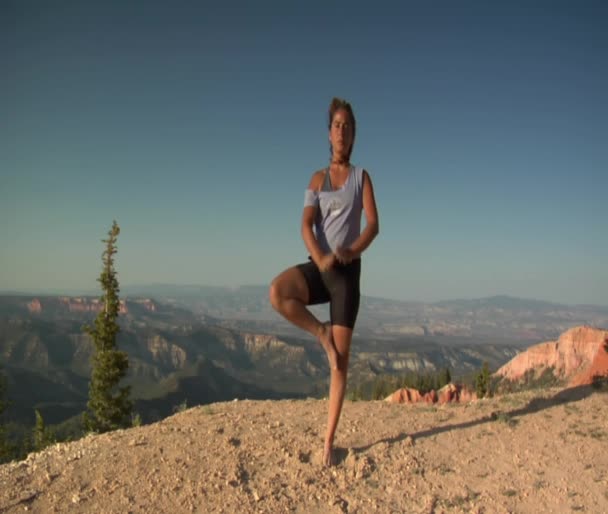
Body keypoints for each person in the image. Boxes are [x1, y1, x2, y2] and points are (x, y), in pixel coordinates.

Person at [269, 97, 379, 466]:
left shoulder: (363, 178)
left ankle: (328, 443)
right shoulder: (316, 179)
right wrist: (320, 258)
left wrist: (352, 250)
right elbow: (304, 224)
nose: (342, 131)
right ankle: (321, 334)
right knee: (278, 292)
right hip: (321, 266)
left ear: (353, 135)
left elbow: (373, 225)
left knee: (340, 365)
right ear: (328, 133)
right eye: (336, 125)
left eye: (348, 126)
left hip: (346, 276)